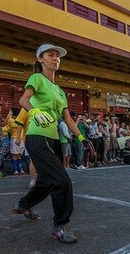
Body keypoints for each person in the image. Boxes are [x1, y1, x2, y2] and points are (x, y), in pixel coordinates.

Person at [12, 43, 93, 243]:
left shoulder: (60, 91)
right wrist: (35, 111)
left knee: (47, 182)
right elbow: (23, 100)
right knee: (62, 181)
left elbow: (68, 119)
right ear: (40, 59)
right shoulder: (37, 78)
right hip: (38, 137)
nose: (55, 58)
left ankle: (24, 204)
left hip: (54, 139)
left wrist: (82, 138)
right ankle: (60, 225)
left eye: (57, 56)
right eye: (50, 55)